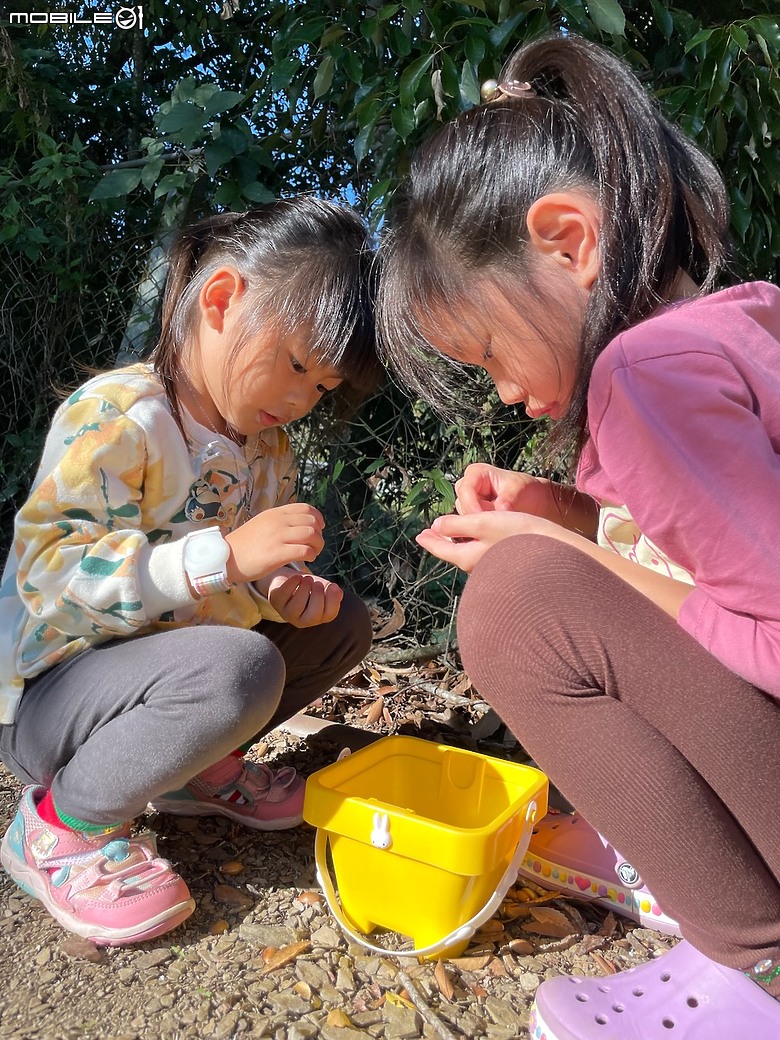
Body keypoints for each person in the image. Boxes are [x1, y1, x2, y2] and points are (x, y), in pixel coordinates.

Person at [376, 32, 780, 1040]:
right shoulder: (741, 330)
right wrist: (570, 514)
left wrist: (562, 558)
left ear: (568, 239)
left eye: (486, 351)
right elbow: (722, 561)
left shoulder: (645, 375)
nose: (507, 392)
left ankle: (761, 963)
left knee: (518, 604)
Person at [0, 196, 381, 947]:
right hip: (54, 696)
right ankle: (57, 827)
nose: (301, 397)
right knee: (235, 667)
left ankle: (187, 771)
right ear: (222, 300)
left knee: (342, 626)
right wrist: (226, 558)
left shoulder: (265, 449)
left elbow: (231, 583)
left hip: (172, 674)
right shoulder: (121, 415)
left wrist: (277, 591)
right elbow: (48, 576)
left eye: (324, 388)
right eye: (297, 364)